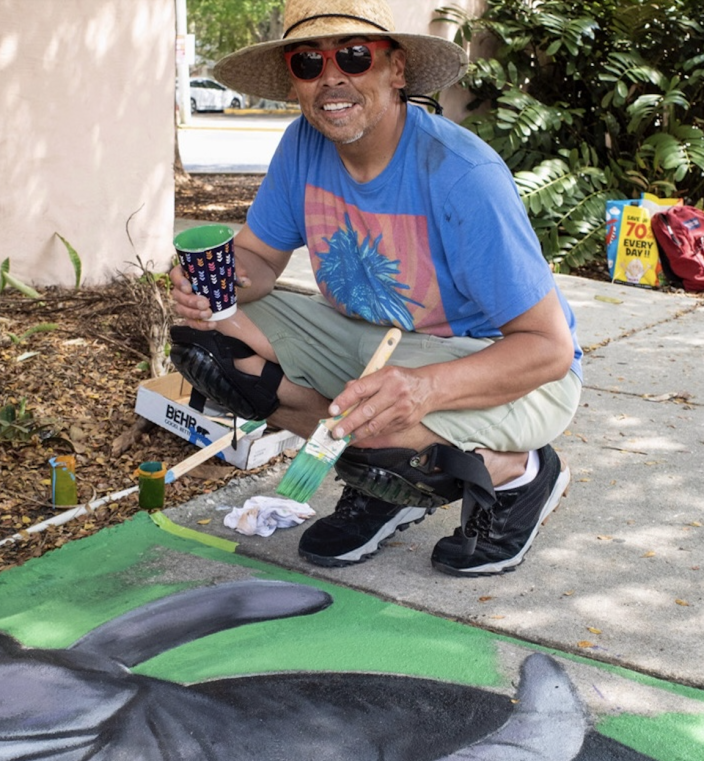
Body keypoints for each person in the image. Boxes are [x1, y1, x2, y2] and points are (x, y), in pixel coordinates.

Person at [168, 0, 583, 577]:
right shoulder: (303, 145)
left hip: (503, 367)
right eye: (308, 61)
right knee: (211, 342)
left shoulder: (463, 175)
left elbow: (548, 348)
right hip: (371, 342)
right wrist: (211, 282)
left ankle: (518, 474)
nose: (330, 77)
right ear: (294, 81)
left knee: (385, 433)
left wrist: (424, 390)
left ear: (397, 69)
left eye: (355, 56)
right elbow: (258, 260)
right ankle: (381, 474)